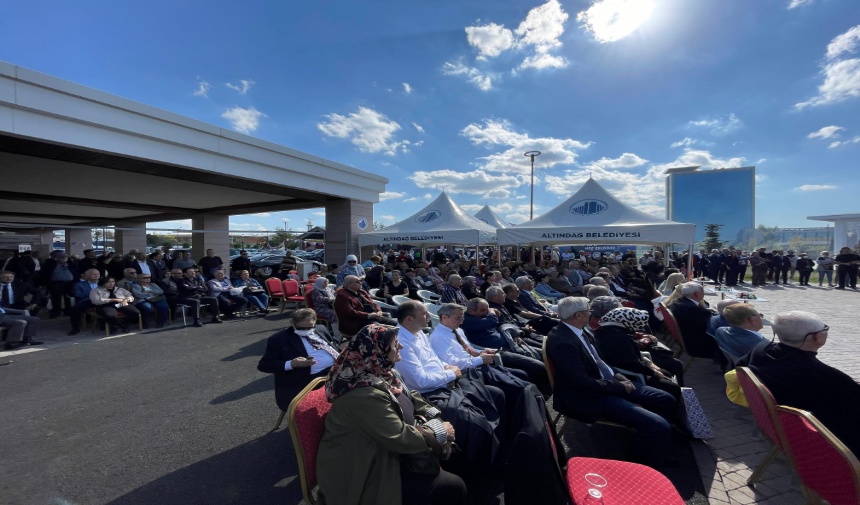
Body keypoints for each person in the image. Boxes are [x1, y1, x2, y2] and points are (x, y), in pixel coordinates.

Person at [316, 323, 466, 505]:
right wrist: (440, 432)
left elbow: (412, 397)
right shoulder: (363, 394)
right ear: (375, 351)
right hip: (367, 462)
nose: (400, 346)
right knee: (453, 486)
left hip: (389, 446)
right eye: (395, 344)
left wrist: (436, 418)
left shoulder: (384, 371)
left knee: (458, 453)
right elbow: (398, 437)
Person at [545, 297, 676, 467]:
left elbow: (600, 361)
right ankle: (640, 465)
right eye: (588, 311)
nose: (591, 315)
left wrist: (619, 376)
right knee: (658, 425)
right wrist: (619, 386)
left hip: (607, 384)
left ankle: (654, 446)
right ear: (578, 315)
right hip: (591, 396)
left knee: (666, 399)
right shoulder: (563, 341)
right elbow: (582, 382)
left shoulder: (577, 330)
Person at [737, 311, 860, 457]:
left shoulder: (760, 349)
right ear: (817, 337)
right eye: (825, 329)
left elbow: (739, 366)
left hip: (781, 427)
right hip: (822, 439)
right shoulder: (827, 377)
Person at [257, 308, 340, 414]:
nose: (306, 331)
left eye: (310, 327)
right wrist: (291, 364)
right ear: (293, 324)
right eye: (302, 328)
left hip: (335, 373)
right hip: (308, 382)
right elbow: (264, 365)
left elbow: (336, 349)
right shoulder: (279, 339)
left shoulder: (321, 329)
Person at [594, 307, 681, 402]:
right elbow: (631, 364)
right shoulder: (617, 338)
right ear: (627, 322)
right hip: (630, 375)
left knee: (667, 374)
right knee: (673, 387)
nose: (639, 327)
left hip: (630, 368)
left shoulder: (611, 331)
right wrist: (653, 372)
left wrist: (650, 364)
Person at [668, 282, 721, 362]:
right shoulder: (691, 309)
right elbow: (707, 326)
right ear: (696, 294)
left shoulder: (678, 301)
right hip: (698, 344)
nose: (704, 294)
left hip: (689, 336)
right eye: (703, 292)